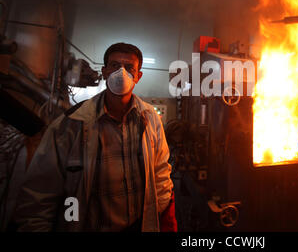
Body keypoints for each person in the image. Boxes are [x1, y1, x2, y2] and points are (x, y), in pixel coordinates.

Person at [13, 42, 176, 232]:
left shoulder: (150, 119)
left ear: (138, 76)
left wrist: (161, 215)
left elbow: (160, 173)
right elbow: (41, 192)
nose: (121, 73)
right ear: (105, 72)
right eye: (115, 66)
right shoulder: (71, 124)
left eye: (129, 67)